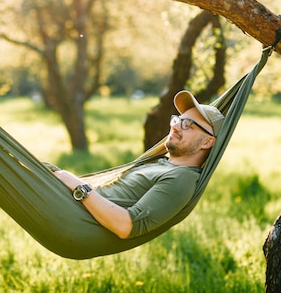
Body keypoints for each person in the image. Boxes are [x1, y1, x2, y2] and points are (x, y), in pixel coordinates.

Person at [52, 90, 224, 240]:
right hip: (67, 203)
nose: (176, 127)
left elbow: (126, 226)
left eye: (188, 125)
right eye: (178, 120)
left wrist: (78, 186)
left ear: (207, 142)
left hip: (73, 216)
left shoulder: (182, 178)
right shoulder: (161, 162)